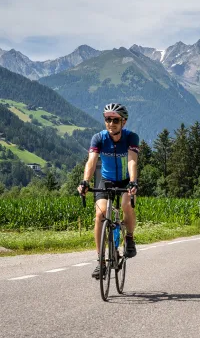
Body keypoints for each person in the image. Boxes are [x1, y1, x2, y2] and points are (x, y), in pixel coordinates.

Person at [77, 103, 139, 279]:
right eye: (107, 119)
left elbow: (132, 161)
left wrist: (133, 182)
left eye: (115, 120)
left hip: (126, 180)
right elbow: (91, 161)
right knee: (100, 214)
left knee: (127, 204)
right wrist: (85, 181)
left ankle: (130, 239)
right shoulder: (99, 138)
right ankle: (100, 262)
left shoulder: (131, 137)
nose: (111, 123)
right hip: (105, 180)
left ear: (123, 122)